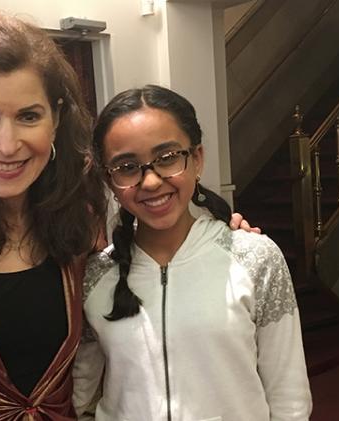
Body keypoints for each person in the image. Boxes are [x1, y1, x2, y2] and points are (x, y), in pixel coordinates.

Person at [0, 11, 256, 421]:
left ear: (55, 120)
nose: (7, 145)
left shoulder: (78, 226)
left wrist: (224, 241)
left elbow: (145, 294)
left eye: (28, 115)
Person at [72, 85, 312, 421]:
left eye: (167, 158)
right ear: (110, 181)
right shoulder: (96, 276)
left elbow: (289, 397)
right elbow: (78, 391)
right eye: (127, 166)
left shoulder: (255, 259)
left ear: (196, 159)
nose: (152, 181)